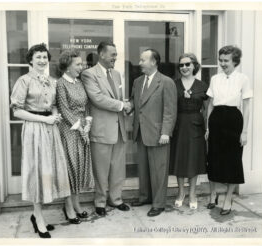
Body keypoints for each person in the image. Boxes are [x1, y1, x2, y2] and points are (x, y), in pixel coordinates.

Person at [10, 43, 71, 238]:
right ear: (30, 60)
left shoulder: (51, 81)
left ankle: (39, 216)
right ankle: (37, 216)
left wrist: (54, 115)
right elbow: (17, 110)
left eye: (45, 57)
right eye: (38, 57)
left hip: (50, 128)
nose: (42, 61)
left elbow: (53, 105)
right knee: (37, 171)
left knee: (50, 170)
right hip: (35, 129)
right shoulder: (23, 80)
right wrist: (44, 119)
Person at [81, 41, 131, 216]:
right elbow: (97, 98)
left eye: (116, 55)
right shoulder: (89, 74)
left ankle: (116, 199)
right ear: (101, 54)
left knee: (118, 168)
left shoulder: (117, 74)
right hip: (102, 130)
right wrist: (121, 105)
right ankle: (100, 202)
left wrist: (126, 105)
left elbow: (118, 97)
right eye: (113, 55)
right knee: (101, 170)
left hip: (119, 129)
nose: (115, 58)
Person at [129, 49, 177, 217]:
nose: (139, 63)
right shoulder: (137, 81)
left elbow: (170, 111)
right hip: (141, 132)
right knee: (143, 169)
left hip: (158, 134)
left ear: (154, 62)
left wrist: (166, 132)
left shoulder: (166, 82)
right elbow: (135, 104)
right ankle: (145, 197)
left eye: (143, 60)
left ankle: (159, 203)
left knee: (159, 170)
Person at [205, 45, 253, 215]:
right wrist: (207, 127)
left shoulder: (243, 79)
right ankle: (213, 195)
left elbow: (246, 107)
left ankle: (228, 198)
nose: (222, 63)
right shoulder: (215, 78)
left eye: (226, 60)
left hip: (234, 120)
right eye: (221, 60)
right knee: (213, 158)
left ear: (235, 61)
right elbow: (210, 104)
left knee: (233, 160)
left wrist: (244, 131)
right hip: (216, 119)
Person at [56, 50, 94, 223]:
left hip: (81, 129)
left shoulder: (79, 82)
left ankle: (77, 204)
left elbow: (85, 106)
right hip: (69, 130)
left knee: (79, 166)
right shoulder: (60, 84)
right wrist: (80, 128)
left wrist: (87, 125)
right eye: (78, 64)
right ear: (67, 66)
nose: (82, 67)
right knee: (70, 167)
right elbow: (64, 110)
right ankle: (68, 206)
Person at [169, 53, 208, 210]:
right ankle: (181, 192)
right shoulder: (173, 84)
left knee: (193, 160)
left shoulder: (202, 85)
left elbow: (206, 109)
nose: (184, 67)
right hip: (178, 125)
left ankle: (192, 193)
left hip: (195, 126)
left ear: (194, 66)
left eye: (187, 64)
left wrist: (207, 127)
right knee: (179, 158)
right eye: (181, 65)